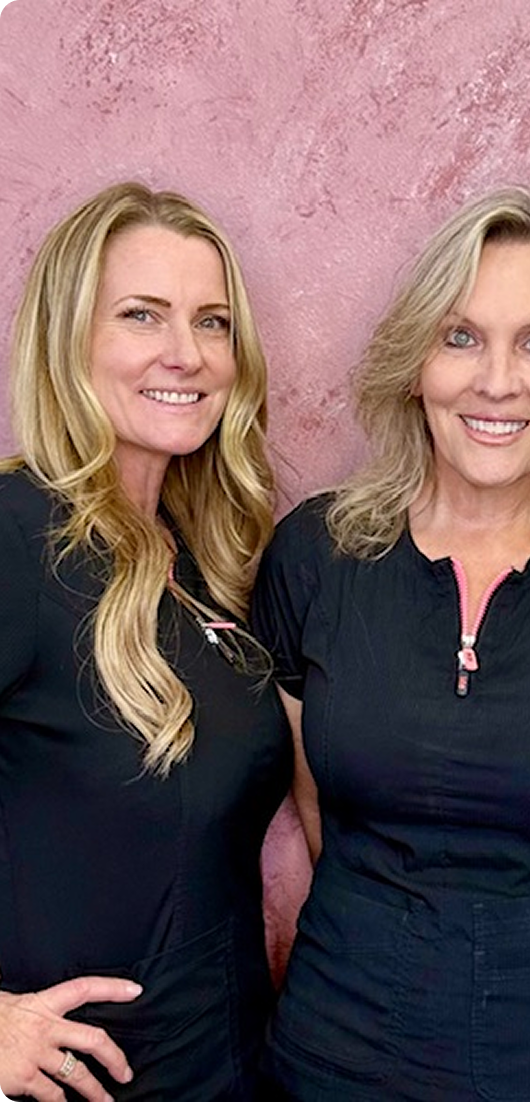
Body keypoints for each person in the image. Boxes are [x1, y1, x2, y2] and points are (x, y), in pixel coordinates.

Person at [252, 186, 530, 1100]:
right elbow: (323, 812)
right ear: (416, 360)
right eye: (460, 335)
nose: (497, 380)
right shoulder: (319, 552)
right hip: (342, 1050)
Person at [0, 182, 291, 1101]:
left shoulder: (197, 557)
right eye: (141, 316)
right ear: (68, 337)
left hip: (222, 1067)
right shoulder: (13, 533)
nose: (187, 354)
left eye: (212, 323)